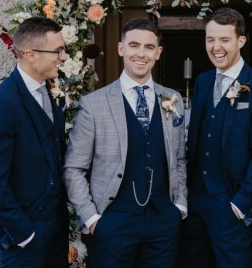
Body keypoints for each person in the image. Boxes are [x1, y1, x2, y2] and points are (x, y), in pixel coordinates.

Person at [64, 18, 187, 268]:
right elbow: (74, 168)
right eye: (134, 45)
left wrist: (180, 206)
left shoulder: (172, 98)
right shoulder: (94, 104)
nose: (141, 54)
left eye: (149, 47)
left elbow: (180, 158)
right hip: (112, 222)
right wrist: (92, 218)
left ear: (159, 53)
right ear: (121, 49)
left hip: (163, 221)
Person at [179, 7, 252, 268]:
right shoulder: (202, 82)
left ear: (241, 41)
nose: (216, 47)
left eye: (224, 39)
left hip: (231, 203)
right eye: (210, 39)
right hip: (195, 201)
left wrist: (240, 204)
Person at [0, 17, 69, 267]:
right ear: (30, 54)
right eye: (57, 50)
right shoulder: (2, 103)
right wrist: (24, 233)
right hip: (25, 237)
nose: (63, 57)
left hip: (56, 231)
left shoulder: (52, 93)